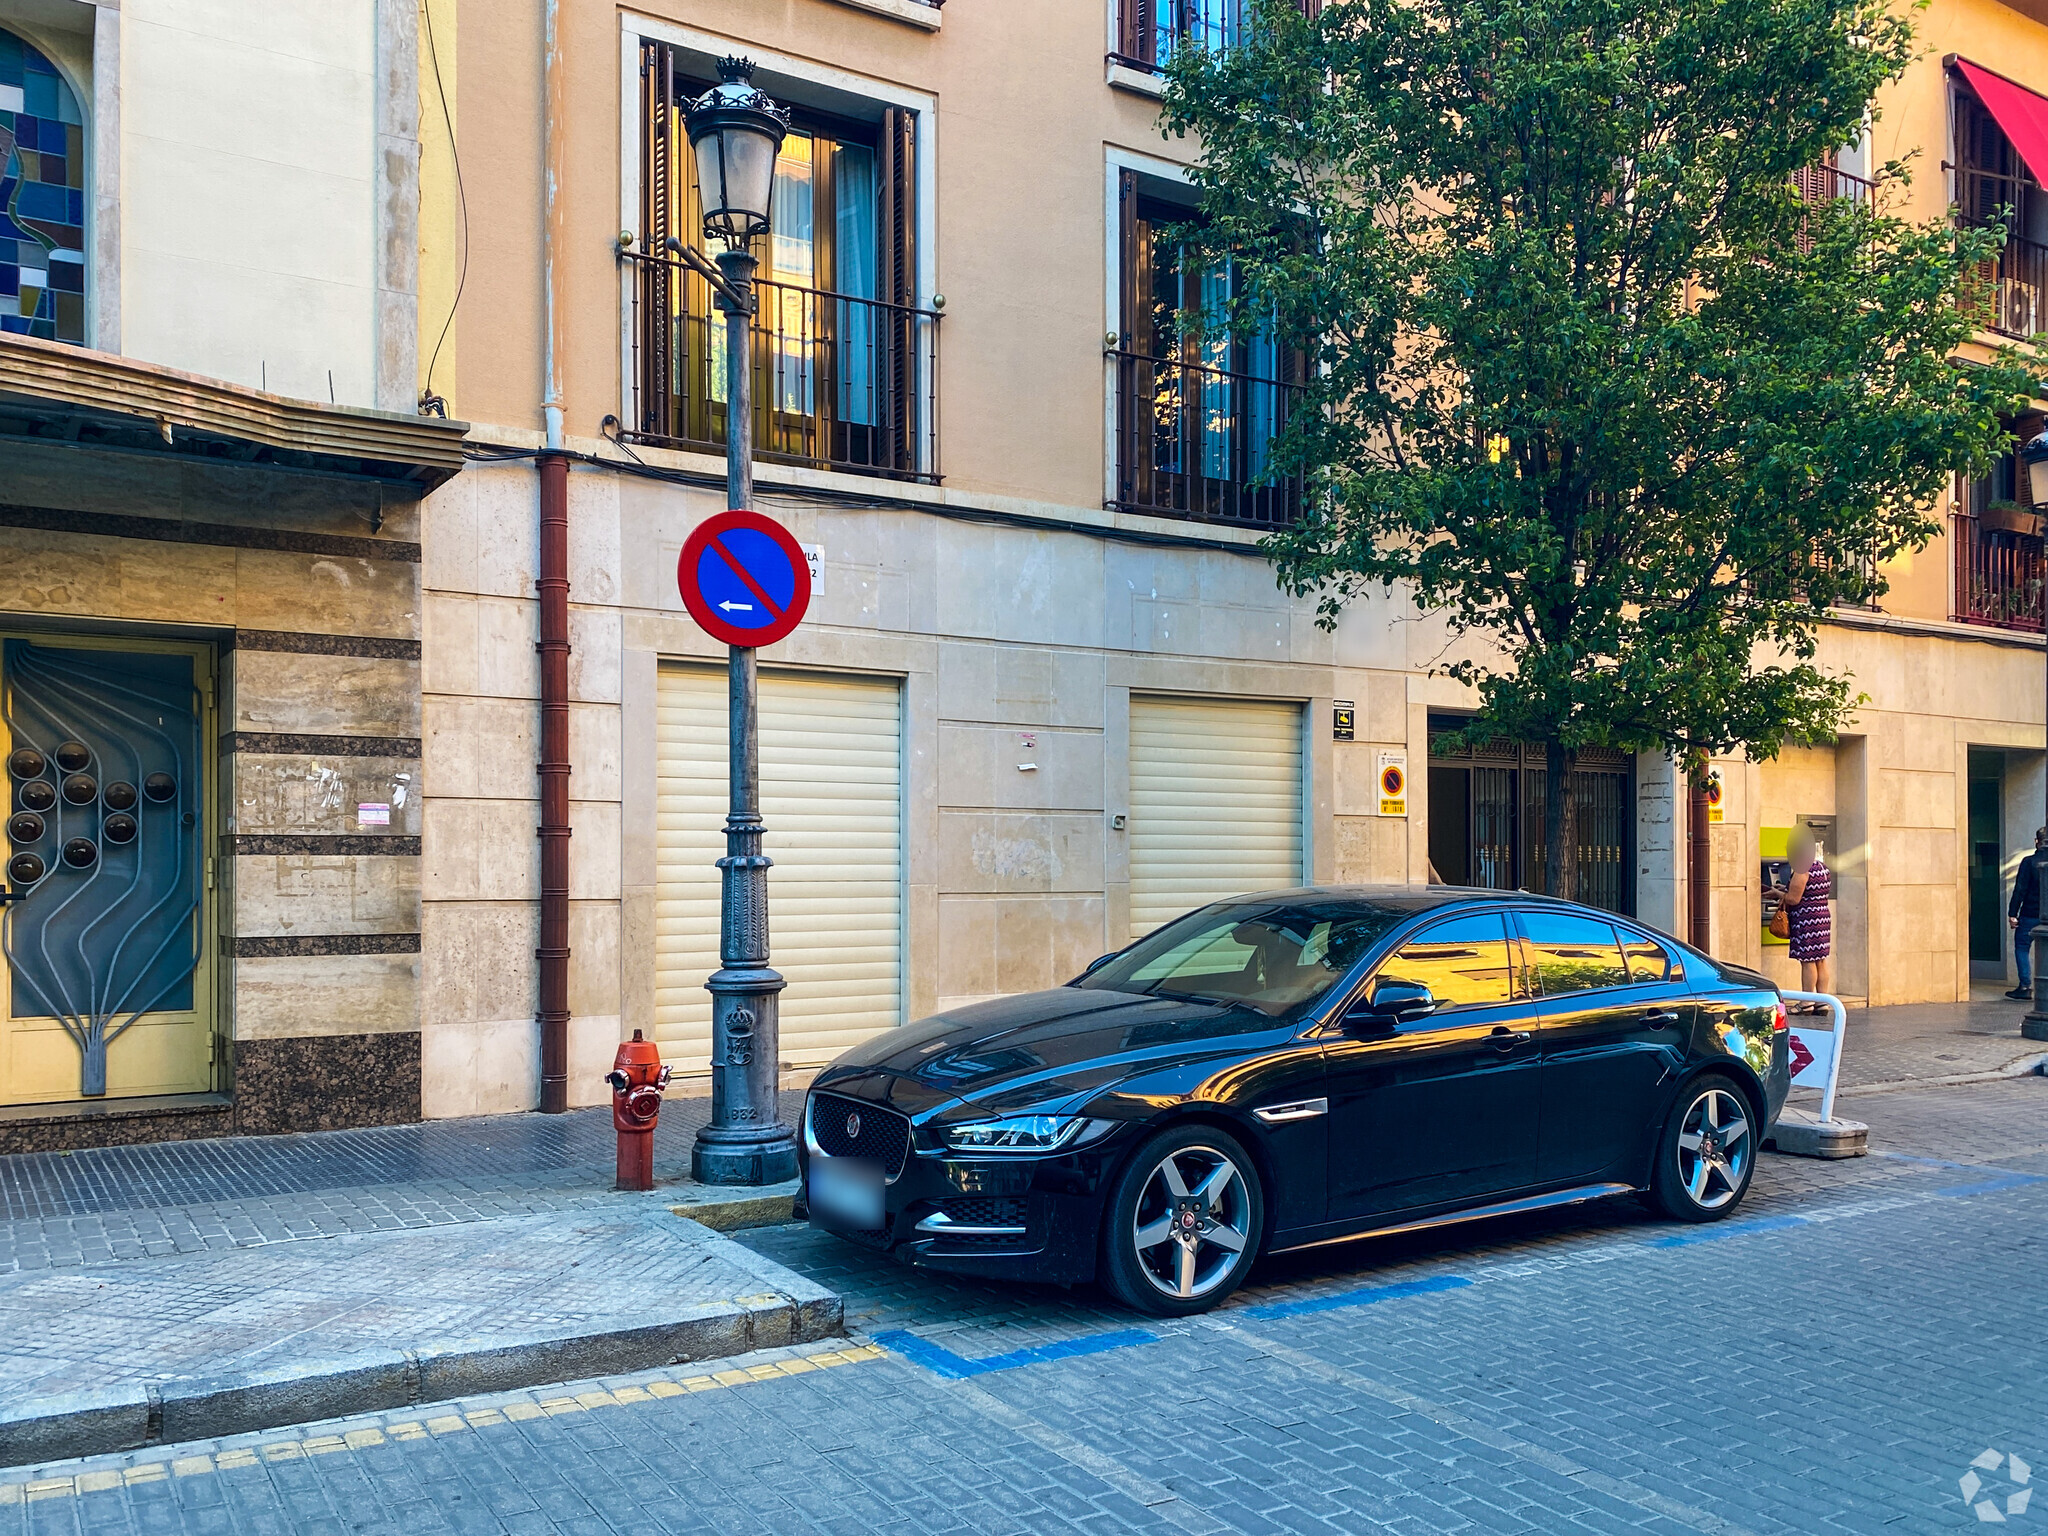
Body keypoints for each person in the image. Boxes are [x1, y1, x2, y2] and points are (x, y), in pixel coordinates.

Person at [1781, 832, 1832, 1006]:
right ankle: (1822, 1002)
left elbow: (1794, 899)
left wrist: (1778, 894)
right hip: (1822, 917)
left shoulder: (1802, 869)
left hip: (1806, 919)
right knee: (1821, 959)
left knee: (1808, 960)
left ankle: (1807, 1002)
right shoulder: (1822, 867)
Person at [2008, 827, 2048, 1000]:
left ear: (2036, 841)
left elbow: (2020, 889)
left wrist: (2012, 913)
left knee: (2022, 948)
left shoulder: (2029, 862)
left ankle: (2025, 986)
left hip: (2030, 914)